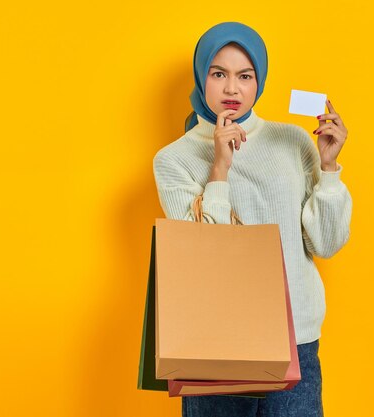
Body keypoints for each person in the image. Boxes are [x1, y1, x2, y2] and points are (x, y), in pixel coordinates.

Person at [153, 21, 352, 417]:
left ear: (258, 81)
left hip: (297, 339)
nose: (231, 89)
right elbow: (206, 255)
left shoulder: (293, 141)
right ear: (201, 77)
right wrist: (219, 170)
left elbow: (326, 244)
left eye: (245, 76)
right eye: (218, 74)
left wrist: (328, 169)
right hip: (215, 342)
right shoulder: (173, 159)